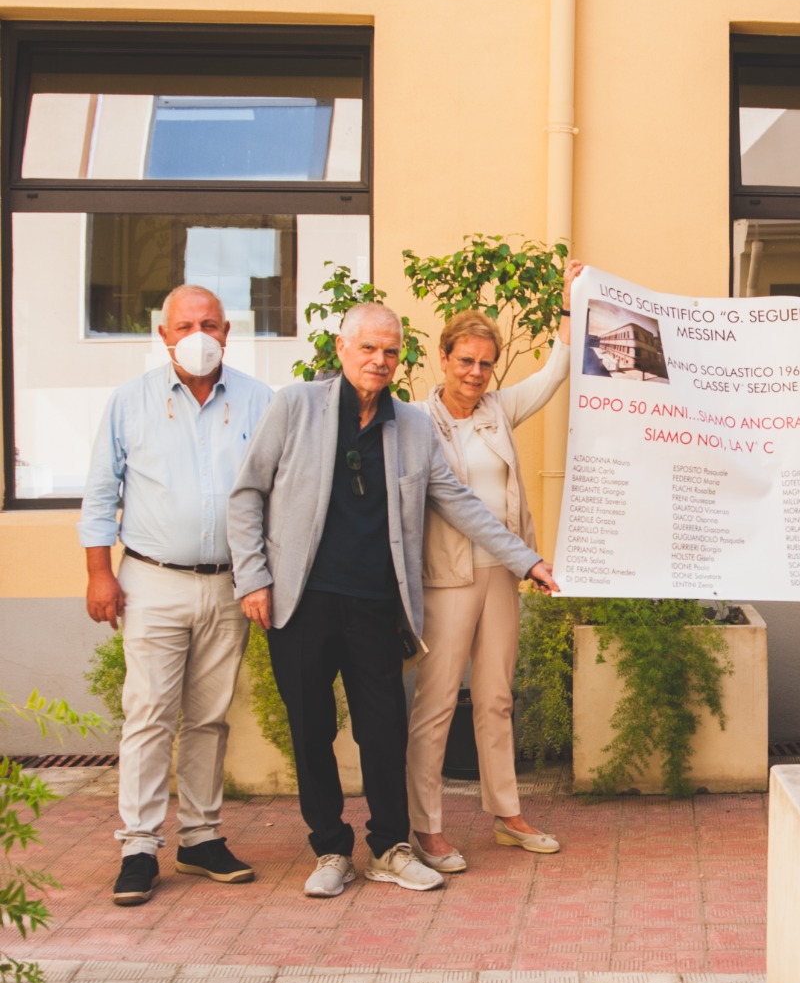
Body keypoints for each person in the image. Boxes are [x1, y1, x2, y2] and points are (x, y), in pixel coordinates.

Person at [228, 303, 559, 899]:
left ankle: (389, 847)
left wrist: (525, 560)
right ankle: (331, 848)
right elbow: (248, 492)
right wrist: (253, 578)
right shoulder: (295, 406)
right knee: (311, 730)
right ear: (342, 348)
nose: (379, 361)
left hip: (377, 604)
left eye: (389, 351)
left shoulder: (410, 425)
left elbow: (457, 501)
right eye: (368, 348)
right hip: (301, 602)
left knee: (383, 732)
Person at [79, 284, 274, 906]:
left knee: (209, 717)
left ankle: (200, 838)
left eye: (209, 324)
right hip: (151, 581)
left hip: (229, 585)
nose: (198, 335)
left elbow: (276, 490)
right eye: (184, 325)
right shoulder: (129, 401)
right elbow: (101, 492)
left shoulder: (259, 400)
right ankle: (138, 845)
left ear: (227, 333)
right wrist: (99, 573)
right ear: (163, 335)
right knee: (149, 714)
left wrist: (264, 577)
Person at [407, 263, 579, 870]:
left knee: (496, 697)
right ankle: (425, 827)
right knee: (435, 704)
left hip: (504, 572)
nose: (475, 373)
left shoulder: (498, 409)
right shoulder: (414, 421)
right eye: (465, 361)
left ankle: (507, 814)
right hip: (445, 577)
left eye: (485, 363)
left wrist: (568, 303)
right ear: (443, 357)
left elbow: (554, 373)